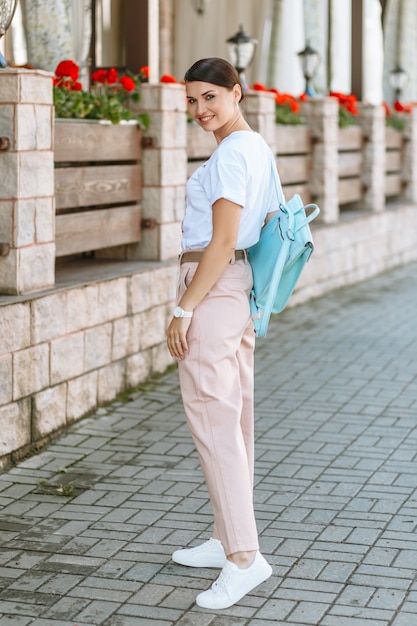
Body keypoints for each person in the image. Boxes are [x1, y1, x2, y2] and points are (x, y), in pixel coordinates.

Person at [166, 57, 284, 610]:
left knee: (214, 420)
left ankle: (244, 557)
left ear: (237, 92)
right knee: (234, 419)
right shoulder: (253, 147)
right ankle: (225, 538)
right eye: (192, 100)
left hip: (212, 286)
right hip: (235, 287)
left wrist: (184, 307)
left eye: (210, 97)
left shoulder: (234, 154)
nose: (200, 110)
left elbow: (221, 239)